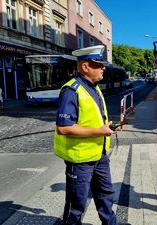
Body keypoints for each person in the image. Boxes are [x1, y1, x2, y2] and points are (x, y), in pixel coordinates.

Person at [53, 45, 118, 225]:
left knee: (106, 196)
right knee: (76, 205)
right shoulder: (71, 90)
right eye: (98, 64)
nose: (103, 67)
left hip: (99, 154)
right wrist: (100, 131)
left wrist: (106, 127)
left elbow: (92, 118)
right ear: (85, 66)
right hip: (80, 159)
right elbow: (63, 128)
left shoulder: (94, 88)